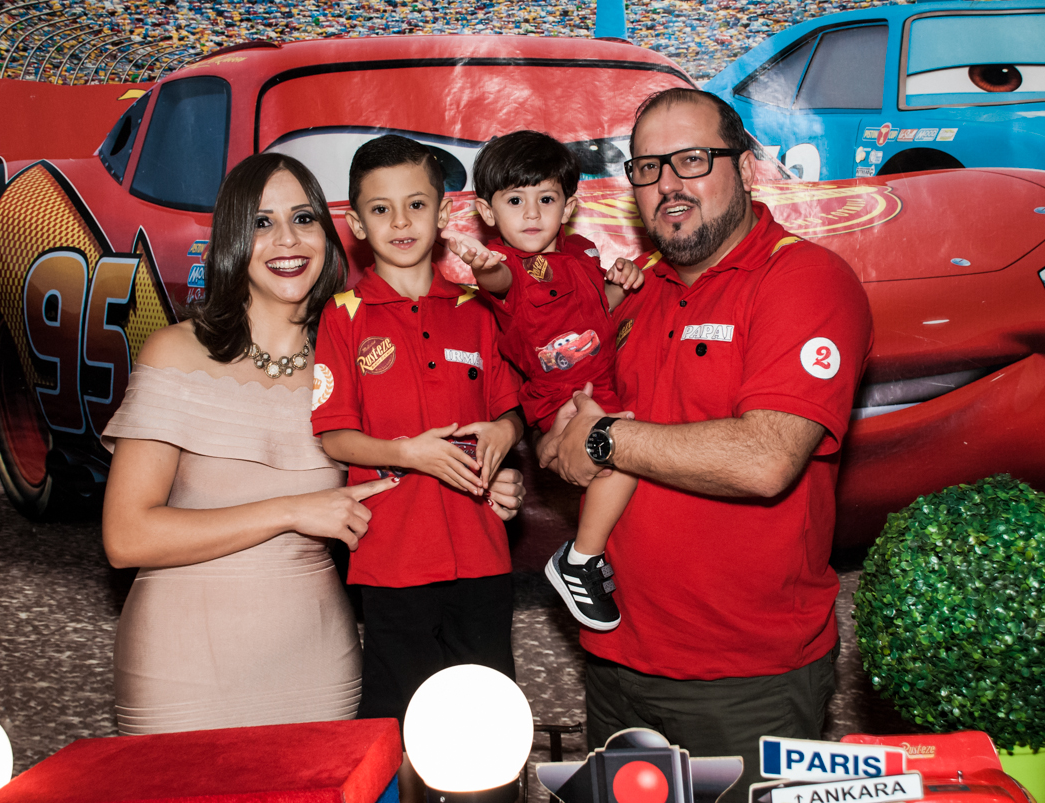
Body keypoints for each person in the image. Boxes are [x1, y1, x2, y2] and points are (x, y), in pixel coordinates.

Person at [100, 151, 528, 736]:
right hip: (181, 666)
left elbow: (415, 466)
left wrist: (488, 476)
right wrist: (292, 511)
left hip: (319, 662)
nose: (287, 239)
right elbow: (126, 537)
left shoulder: (354, 348)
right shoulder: (176, 352)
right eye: (261, 222)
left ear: (329, 234)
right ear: (231, 238)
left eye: (303, 218)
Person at [537, 88, 874, 795]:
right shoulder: (633, 295)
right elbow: (568, 426)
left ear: (745, 168)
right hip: (615, 659)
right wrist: (557, 440)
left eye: (691, 160)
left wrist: (602, 440)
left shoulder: (804, 279)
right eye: (648, 167)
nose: (668, 184)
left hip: (747, 680)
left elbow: (765, 459)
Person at [310, 135, 525, 801]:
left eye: (415, 205)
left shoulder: (476, 310)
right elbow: (334, 435)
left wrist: (504, 432)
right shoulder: (343, 317)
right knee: (395, 727)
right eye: (381, 209)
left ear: (444, 212)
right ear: (356, 223)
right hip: (394, 559)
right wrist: (409, 453)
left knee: (485, 730)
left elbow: (511, 411)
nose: (400, 222)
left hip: (482, 557)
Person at [445, 129, 644, 632]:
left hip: (603, 385)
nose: (531, 214)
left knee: (636, 458)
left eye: (546, 199)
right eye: (515, 200)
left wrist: (621, 285)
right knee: (619, 453)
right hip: (558, 397)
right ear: (488, 212)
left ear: (569, 206)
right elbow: (501, 284)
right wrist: (483, 266)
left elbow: (596, 317)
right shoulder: (508, 264)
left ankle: (600, 549)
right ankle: (580, 559)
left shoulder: (584, 253)